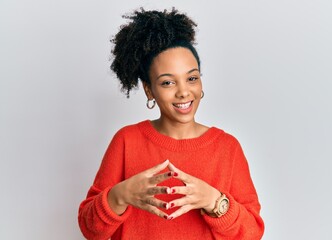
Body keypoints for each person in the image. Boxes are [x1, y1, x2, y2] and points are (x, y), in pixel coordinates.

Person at [78, 8, 264, 240]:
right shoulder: (127, 141)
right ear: (149, 90)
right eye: (167, 82)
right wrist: (119, 195)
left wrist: (213, 201)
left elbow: (252, 233)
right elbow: (90, 229)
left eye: (192, 78)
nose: (184, 92)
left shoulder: (227, 147)